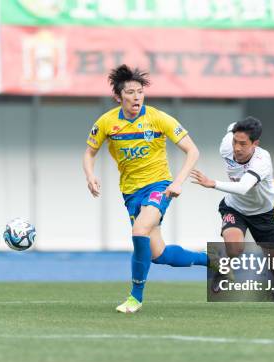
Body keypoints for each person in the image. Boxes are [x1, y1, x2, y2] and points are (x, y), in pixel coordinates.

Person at [82, 64, 207, 313]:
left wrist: (177, 182)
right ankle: (212, 259)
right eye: (130, 92)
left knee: (139, 230)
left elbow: (192, 150)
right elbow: (89, 152)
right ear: (118, 97)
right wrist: (90, 175)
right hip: (130, 192)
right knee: (158, 254)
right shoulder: (107, 122)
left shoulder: (158, 118)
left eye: (140, 91)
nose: (136, 96)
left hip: (159, 185)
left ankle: (135, 297)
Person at [190, 117, 274, 310]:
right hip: (234, 207)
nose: (237, 147)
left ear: (255, 144)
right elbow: (231, 128)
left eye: (243, 144)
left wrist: (213, 183)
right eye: (235, 141)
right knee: (235, 248)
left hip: (263, 214)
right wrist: (236, 128)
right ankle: (221, 269)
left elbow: (244, 187)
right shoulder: (227, 147)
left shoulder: (262, 160)